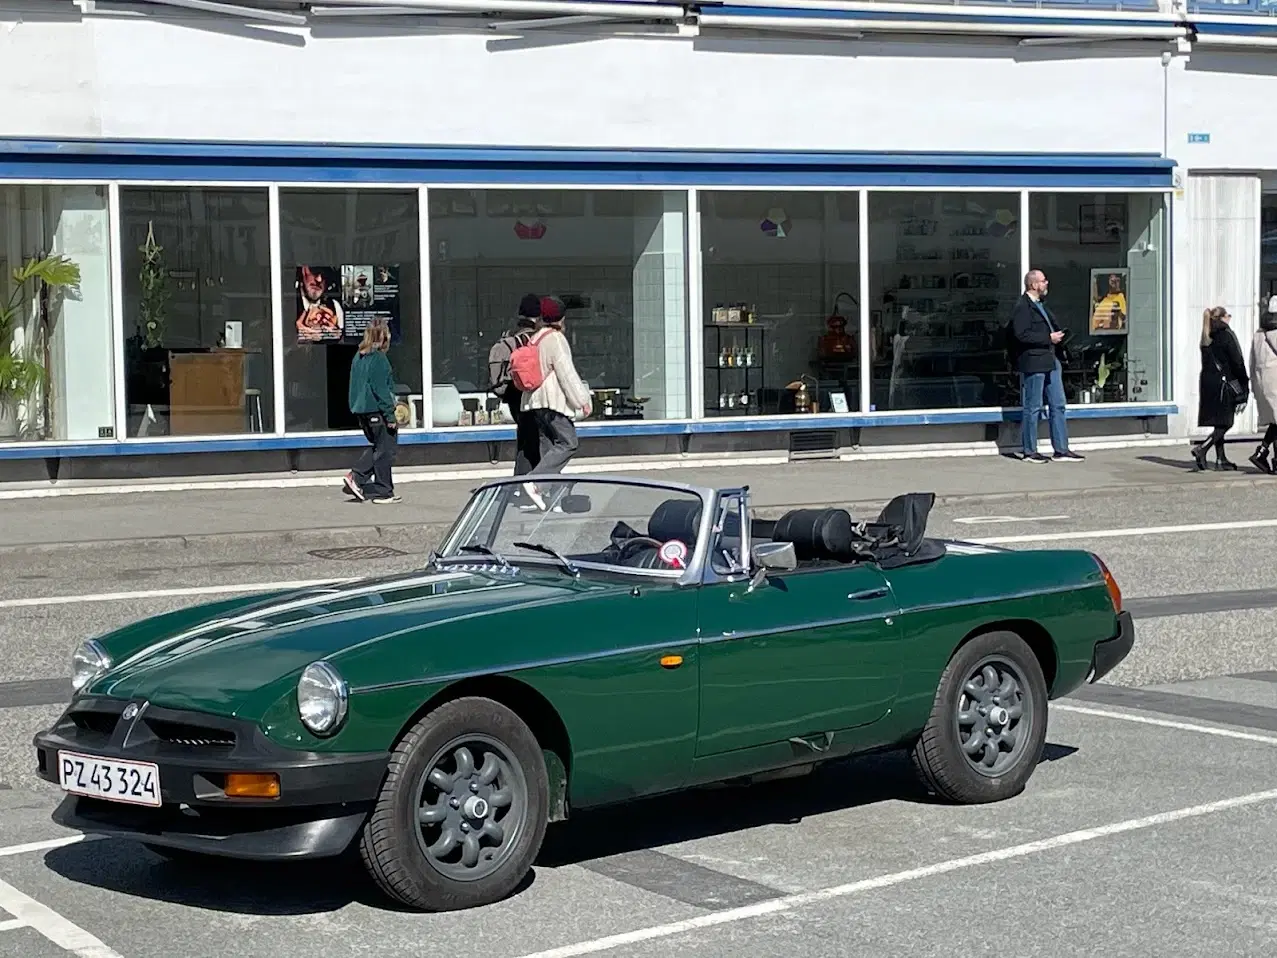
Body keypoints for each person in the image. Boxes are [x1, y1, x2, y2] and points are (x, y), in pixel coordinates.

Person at [519, 295, 591, 508]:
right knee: (568, 443)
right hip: (553, 403)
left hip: (535, 403)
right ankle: (536, 483)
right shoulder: (556, 339)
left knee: (548, 445)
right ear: (561, 317)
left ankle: (547, 496)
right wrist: (582, 401)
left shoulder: (536, 337)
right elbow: (566, 373)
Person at [1008, 269, 1085, 463]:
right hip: (1035, 360)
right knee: (1032, 406)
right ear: (1033, 285)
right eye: (1043, 281)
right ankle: (1029, 450)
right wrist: (1047, 338)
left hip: (1052, 359)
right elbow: (1021, 334)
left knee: (1058, 404)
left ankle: (1061, 449)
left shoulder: (1041, 305)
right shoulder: (1023, 306)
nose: (1046, 284)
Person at [343, 319, 401, 503]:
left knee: (380, 448)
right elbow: (381, 389)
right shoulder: (378, 359)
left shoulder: (359, 356)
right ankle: (368, 483)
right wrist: (390, 415)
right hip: (377, 411)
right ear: (384, 336)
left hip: (362, 411)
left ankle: (383, 488)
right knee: (385, 450)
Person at [488, 293, 542, 476]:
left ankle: (521, 482)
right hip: (535, 394)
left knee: (525, 437)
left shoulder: (509, 340)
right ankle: (530, 483)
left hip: (513, 394)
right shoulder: (540, 340)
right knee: (536, 440)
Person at [1194, 306, 1249, 471]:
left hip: (1208, 383)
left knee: (1218, 421)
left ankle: (1221, 458)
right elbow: (1237, 361)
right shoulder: (1226, 334)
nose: (1230, 318)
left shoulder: (1206, 335)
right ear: (1223, 318)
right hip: (1224, 383)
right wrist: (1244, 384)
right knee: (1226, 422)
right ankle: (1203, 448)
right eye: (1228, 315)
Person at [1249, 299, 1277, 473]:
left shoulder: (1259, 333)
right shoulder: (1274, 332)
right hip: (1275, 380)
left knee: (1275, 421)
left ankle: (1263, 453)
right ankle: (1263, 453)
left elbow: (1252, 360)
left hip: (1264, 382)